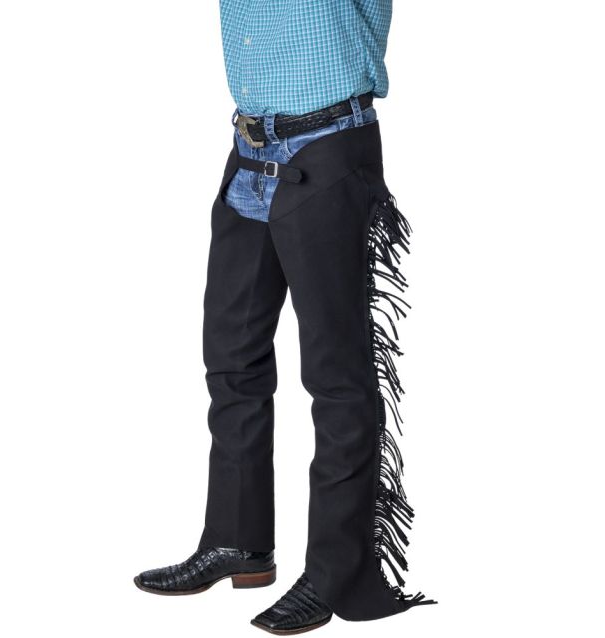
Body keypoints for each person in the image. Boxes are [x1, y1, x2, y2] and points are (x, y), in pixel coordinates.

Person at [134, 1, 436, 633]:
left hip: (328, 145)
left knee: (336, 377)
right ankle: (237, 542)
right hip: (250, 149)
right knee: (231, 356)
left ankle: (336, 573)